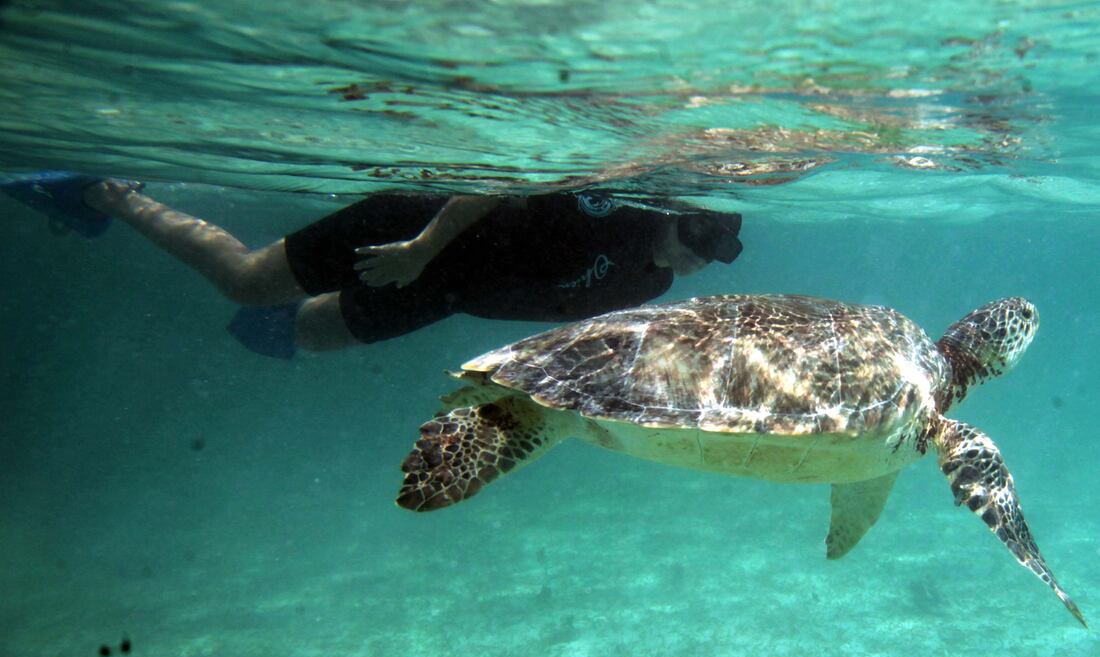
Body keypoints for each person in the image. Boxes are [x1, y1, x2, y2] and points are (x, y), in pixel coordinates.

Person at [1, 172, 743, 358]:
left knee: (302, 338)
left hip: (444, 292)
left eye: (714, 251)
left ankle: (180, 334)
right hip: (416, 233)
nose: (699, 259)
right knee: (247, 280)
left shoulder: (649, 282)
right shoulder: (614, 205)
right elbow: (494, 185)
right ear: (677, 210)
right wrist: (420, 251)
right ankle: (102, 194)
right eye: (699, 236)